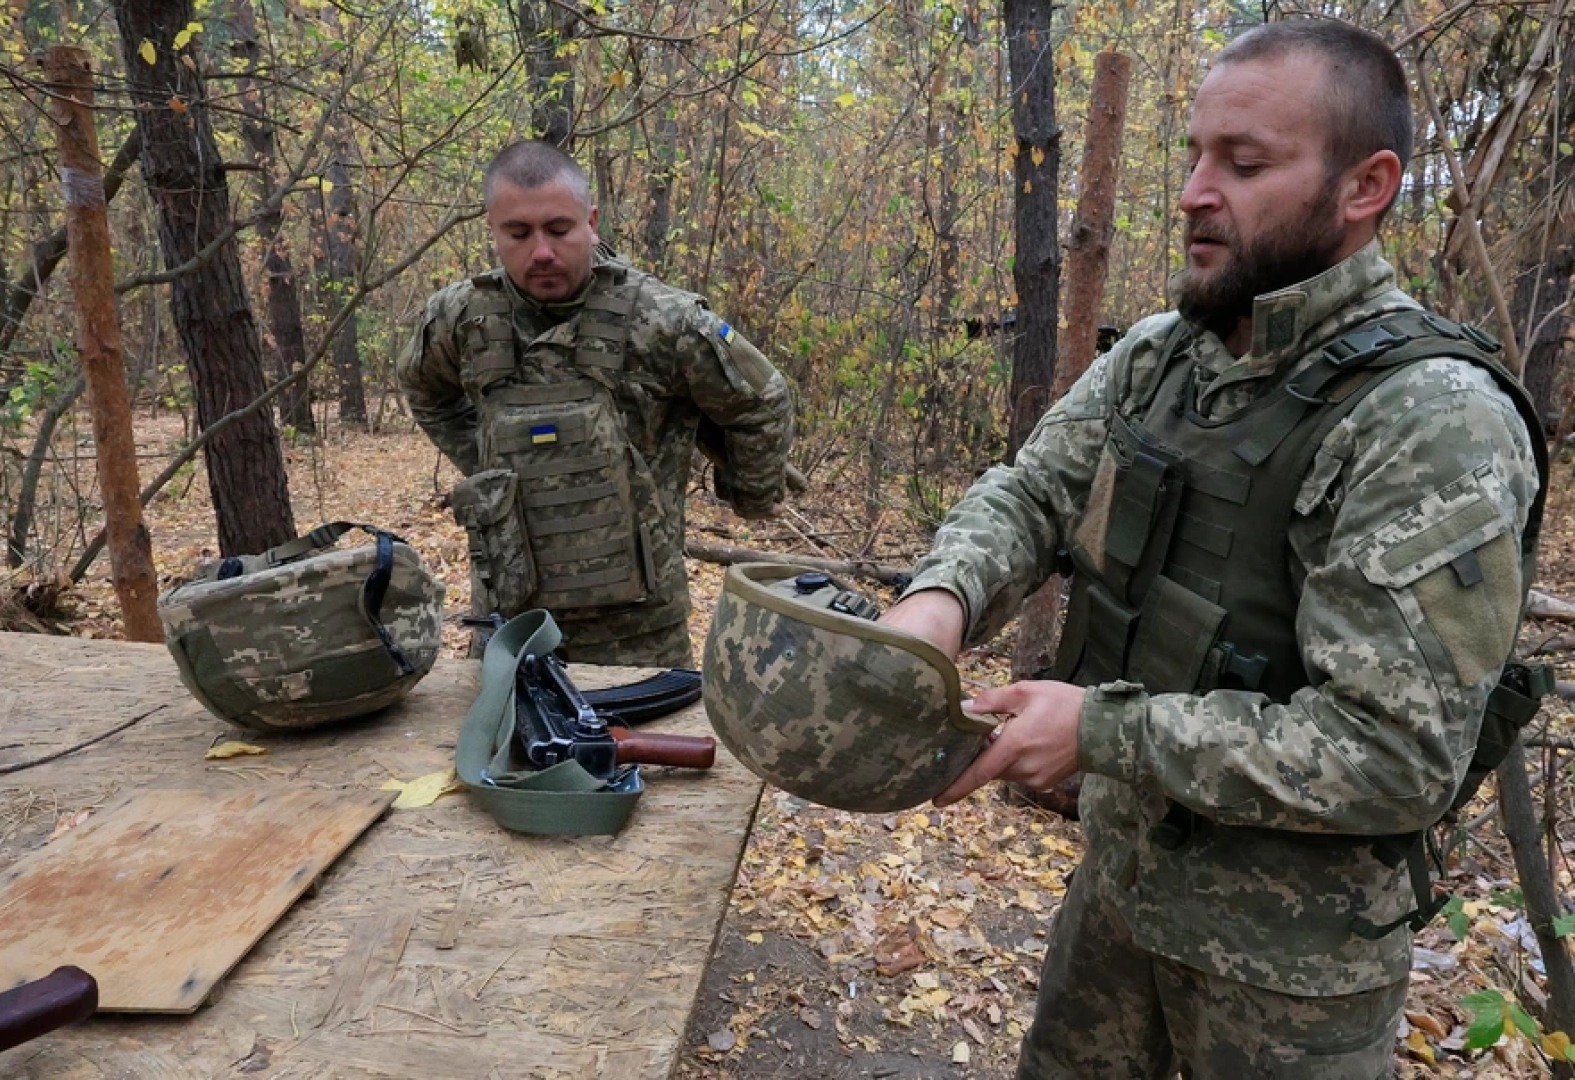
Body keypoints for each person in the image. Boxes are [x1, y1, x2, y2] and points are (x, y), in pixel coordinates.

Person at [880, 20, 1545, 1078]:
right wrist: (940, 601)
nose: (1194, 190)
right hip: (1120, 894)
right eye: (1193, 155)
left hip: (1288, 973)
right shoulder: (1165, 356)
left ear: (1366, 186)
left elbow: (1396, 755)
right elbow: (1033, 492)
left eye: (1243, 164)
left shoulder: (1428, 419)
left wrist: (1102, 732)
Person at [398, 140, 793, 666]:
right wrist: (487, 466)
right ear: (493, 229)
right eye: (518, 233)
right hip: (510, 628)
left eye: (559, 229)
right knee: (508, 748)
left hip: (639, 633)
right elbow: (423, 390)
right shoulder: (460, 319)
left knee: (650, 749)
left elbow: (763, 399)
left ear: (591, 221)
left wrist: (751, 493)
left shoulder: (663, 320)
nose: (541, 251)